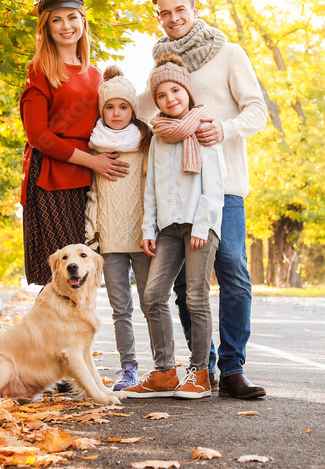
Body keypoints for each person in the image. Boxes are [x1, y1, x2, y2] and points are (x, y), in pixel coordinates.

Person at [138, 0, 269, 399]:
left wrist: (224, 129)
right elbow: (142, 110)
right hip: (177, 193)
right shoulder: (162, 65)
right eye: (164, 13)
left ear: (194, 9)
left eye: (180, 10)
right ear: (158, 17)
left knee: (232, 269)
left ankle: (233, 367)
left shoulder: (229, 53)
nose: (173, 18)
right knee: (182, 285)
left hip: (223, 183)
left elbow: (257, 110)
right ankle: (203, 366)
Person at [123, 54, 226, 400]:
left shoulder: (204, 130)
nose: (170, 99)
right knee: (152, 295)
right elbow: (151, 186)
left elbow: (215, 188)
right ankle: (165, 371)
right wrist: (148, 229)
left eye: (175, 91)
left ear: (187, 90)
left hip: (200, 227)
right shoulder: (158, 137)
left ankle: (200, 373)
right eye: (162, 95)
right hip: (167, 228)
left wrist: (202, 225)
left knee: (196, 297)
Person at [19, 0, 129, 285]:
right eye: (57, 20)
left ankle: (75, 333)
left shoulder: (95, 75)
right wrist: (92, 162)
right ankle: (47, 332)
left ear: (82, 21)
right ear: (46, 27)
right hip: (52, 178)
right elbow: (37, 135)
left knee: (85, 274)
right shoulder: (40, 70)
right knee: (60, 275)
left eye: (72, 18)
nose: (66, 26)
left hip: (89, 179)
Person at [84, 66, 153, 391]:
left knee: (152, 302)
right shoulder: (94, 146)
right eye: (109, 107)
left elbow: (151, 187)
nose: (116, 113)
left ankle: (162, 367)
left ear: (132, 109)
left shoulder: (145, 142)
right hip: (108, 239)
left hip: (143, 237)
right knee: (120, 308)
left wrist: (151, 227)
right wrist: (91, 234)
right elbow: (93, 195)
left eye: (123, 106)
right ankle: (128, 368)